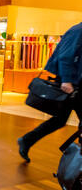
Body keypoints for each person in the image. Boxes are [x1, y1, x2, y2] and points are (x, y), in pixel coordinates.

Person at [18, 22, 82, 163]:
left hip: (75, 83)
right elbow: (65, 56)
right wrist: (66, 80)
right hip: (70, 84)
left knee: (59, 120)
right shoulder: (78, 31)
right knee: (60, 120)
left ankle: (26, 140)